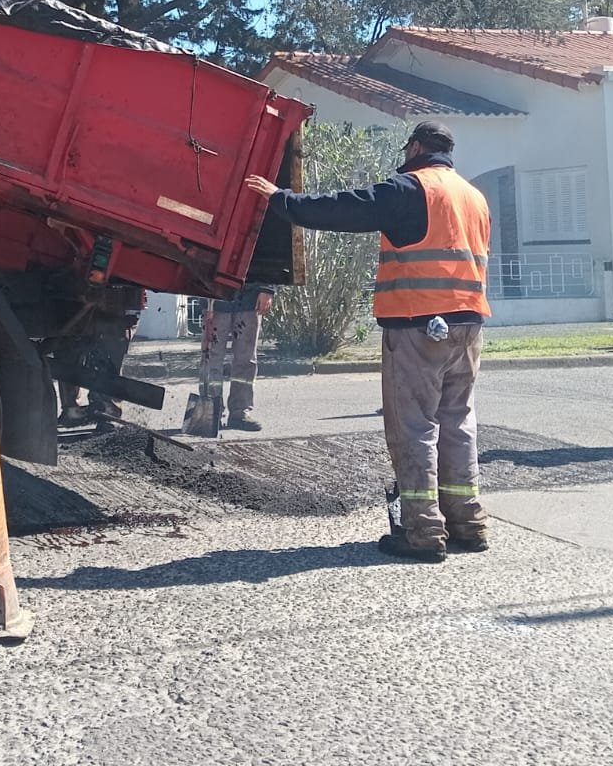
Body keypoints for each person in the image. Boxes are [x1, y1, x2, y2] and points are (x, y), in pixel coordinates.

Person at [245, 119, 491, 564]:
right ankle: (467, 522)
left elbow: (344, 208)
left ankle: (422, 530)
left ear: (415, 147)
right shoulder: (473, 196)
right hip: (468, 327)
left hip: (417, 324)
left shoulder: (410, 188)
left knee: (415, 426)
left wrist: (282, 200)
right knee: (457, 423)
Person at [200, 286, 275, 432]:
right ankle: (211, 412)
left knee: (246, 359)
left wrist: (267, 289)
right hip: (214, 297)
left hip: (250, 298)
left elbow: (271, 267)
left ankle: (239, 413)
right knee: (211, 358)